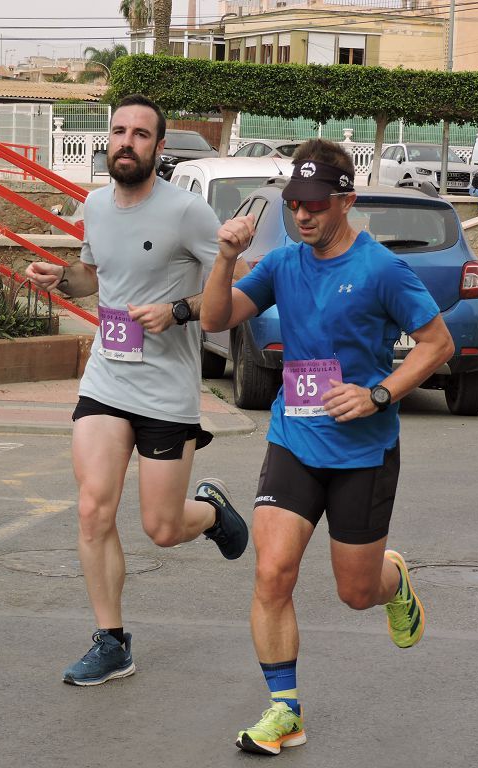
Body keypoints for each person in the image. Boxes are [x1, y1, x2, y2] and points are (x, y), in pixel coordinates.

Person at [201, 138, 454, 756]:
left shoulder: (381, 270)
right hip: (294, 438)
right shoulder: (285, 263)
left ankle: (394, 580)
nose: (302, 215)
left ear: (346, 200)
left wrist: (379, 395)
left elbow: (437, 343)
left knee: (355, 592)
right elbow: (215, 319)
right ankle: (284, 709)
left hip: (363, 452)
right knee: (271, 572)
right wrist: (224, 259)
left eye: (315, 204)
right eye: (294, 204)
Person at [24, 94, 250, 687]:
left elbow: (241, 294)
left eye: (141, 134)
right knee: (93, 508)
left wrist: (178, 310)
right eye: (119, 131)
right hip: (107, 376)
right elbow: (95, 279)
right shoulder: (94, 205)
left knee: (163, 528)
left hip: (166, 390)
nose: (127, 142)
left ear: (158, 146)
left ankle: (212, 510)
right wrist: (61, 278)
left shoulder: (187, 213)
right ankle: (111, 640)